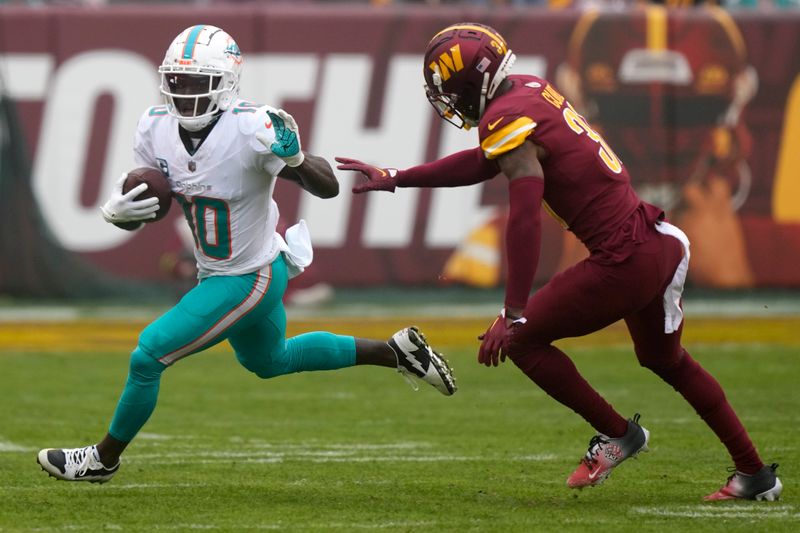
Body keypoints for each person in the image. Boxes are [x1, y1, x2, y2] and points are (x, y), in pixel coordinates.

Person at [336, 22, 781, 501]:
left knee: (523, 342)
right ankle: (753, 473)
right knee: (664, 360)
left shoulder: (504, 118)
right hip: (658, 240)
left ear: (468, 83)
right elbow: (487, 161)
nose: (448, 101)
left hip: (624, 257)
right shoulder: (529, 89)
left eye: (449, 90)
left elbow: (524, 214)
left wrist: (514, 311)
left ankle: (619, 435)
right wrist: (398, 176)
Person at [36, 24, 456, 484]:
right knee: (270, 361)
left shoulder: (253, 126)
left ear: (227, 82)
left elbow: (329, 186)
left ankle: (102, 459)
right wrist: (121, 214)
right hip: (222, 270)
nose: (185, 92)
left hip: (248, 275)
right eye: (177, 81)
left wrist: (295, 158)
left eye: (198, 82)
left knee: (148, 356)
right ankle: (395, 353)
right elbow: (152, 204)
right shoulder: (155, 127)